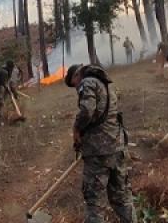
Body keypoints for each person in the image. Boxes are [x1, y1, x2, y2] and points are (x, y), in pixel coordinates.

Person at [64, 64, 134, 223]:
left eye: (74, 84)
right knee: (122, 197)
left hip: (98, 152)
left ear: (76, 76)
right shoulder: (105, 83)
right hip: (117, 146)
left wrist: (76, 128)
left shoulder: (87, 82)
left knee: (94, 203)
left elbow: (87, 111)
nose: (76, 88)